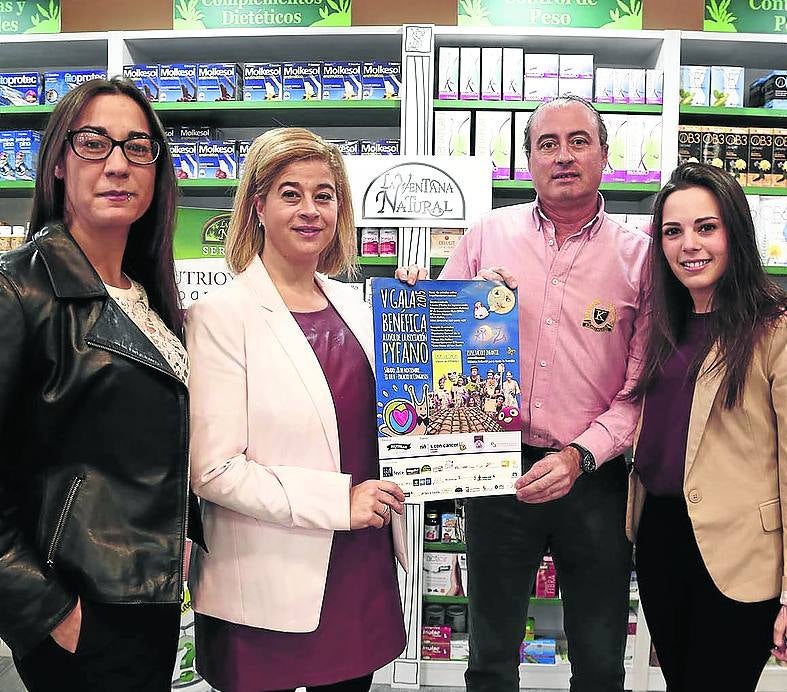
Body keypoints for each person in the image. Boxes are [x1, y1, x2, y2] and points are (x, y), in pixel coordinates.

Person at [398, 95, 650, 691]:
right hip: (495, 469)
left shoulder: (639, 257)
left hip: (593, 478)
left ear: (605, 156)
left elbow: (638, 392)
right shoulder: (488, 235)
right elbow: (436, 349)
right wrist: (412, 300)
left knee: (598, 654)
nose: (563, 156)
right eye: (547, 144)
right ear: (528, 159)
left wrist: (579, 456)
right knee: (488, 653)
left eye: (578, 141)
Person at [186, 127, 408, 692]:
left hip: (360, 568)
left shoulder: (363, 308)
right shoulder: (218, 316)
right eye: (290, 193)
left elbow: (405, 419)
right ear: (256, 205)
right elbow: (213, 470)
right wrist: (340, 502)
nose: (310, 210)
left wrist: (470, 311)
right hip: (265, 582)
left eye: (324, 194)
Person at [0, 77, 203, 691]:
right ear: (59, 162)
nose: (118, 164)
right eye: (94, 143)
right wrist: (44, 609)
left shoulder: (148, 296)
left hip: (151, 597)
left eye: (138, 147)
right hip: (81, 606)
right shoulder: (18, 291)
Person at [627, 162, 787, 690]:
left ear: (735, 231)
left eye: (706, 227)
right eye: (673, 231)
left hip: (739, 552)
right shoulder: (663, 325)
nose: (688, 244)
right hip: (662, 539)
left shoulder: (774, 329)